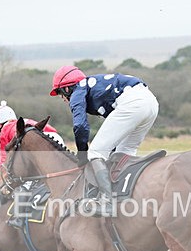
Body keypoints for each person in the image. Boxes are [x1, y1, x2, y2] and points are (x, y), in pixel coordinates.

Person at [49, 66, 159, 216]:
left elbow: (80, 126)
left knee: (95, 152)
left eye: (61, 92)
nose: (62, 98)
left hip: (132, 102)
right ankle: (127, 193)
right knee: (124, 152)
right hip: (151, 103)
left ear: (68, 89)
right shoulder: (93, 86)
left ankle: (107, 202)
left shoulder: (78, 91)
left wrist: (82, 155)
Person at [0, 100, 63, 228]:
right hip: (55, 137)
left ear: (0, 125)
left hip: (38, 142)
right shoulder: (25, 122)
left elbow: (3, 157)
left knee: (25, 182)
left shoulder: (6, 129)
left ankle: (18, 218)